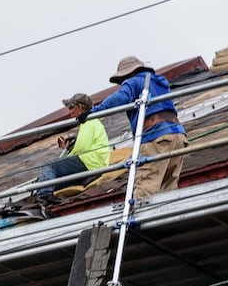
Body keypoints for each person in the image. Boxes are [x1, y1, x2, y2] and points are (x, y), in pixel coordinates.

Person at [95, 57, 188, 203]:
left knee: (146, 187)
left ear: (127, 74)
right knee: (168, 188)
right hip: (178, 136)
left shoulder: (133, 81)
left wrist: (94, 112)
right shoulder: (160, 81)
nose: (121, 85)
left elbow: (120, 98)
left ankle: (142, 220)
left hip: (155, 137)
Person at [32, 93, 110, 203]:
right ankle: (44, 190)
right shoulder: (90, 122)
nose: (69, 112)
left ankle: (43, 195)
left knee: (51, 167)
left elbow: (82, 148)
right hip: (93, 162)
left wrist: (67, 155)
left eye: (71, 108)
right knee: (53, 179)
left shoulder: (89, 122)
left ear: (80, 108)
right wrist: (69, 148)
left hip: (90, 161)